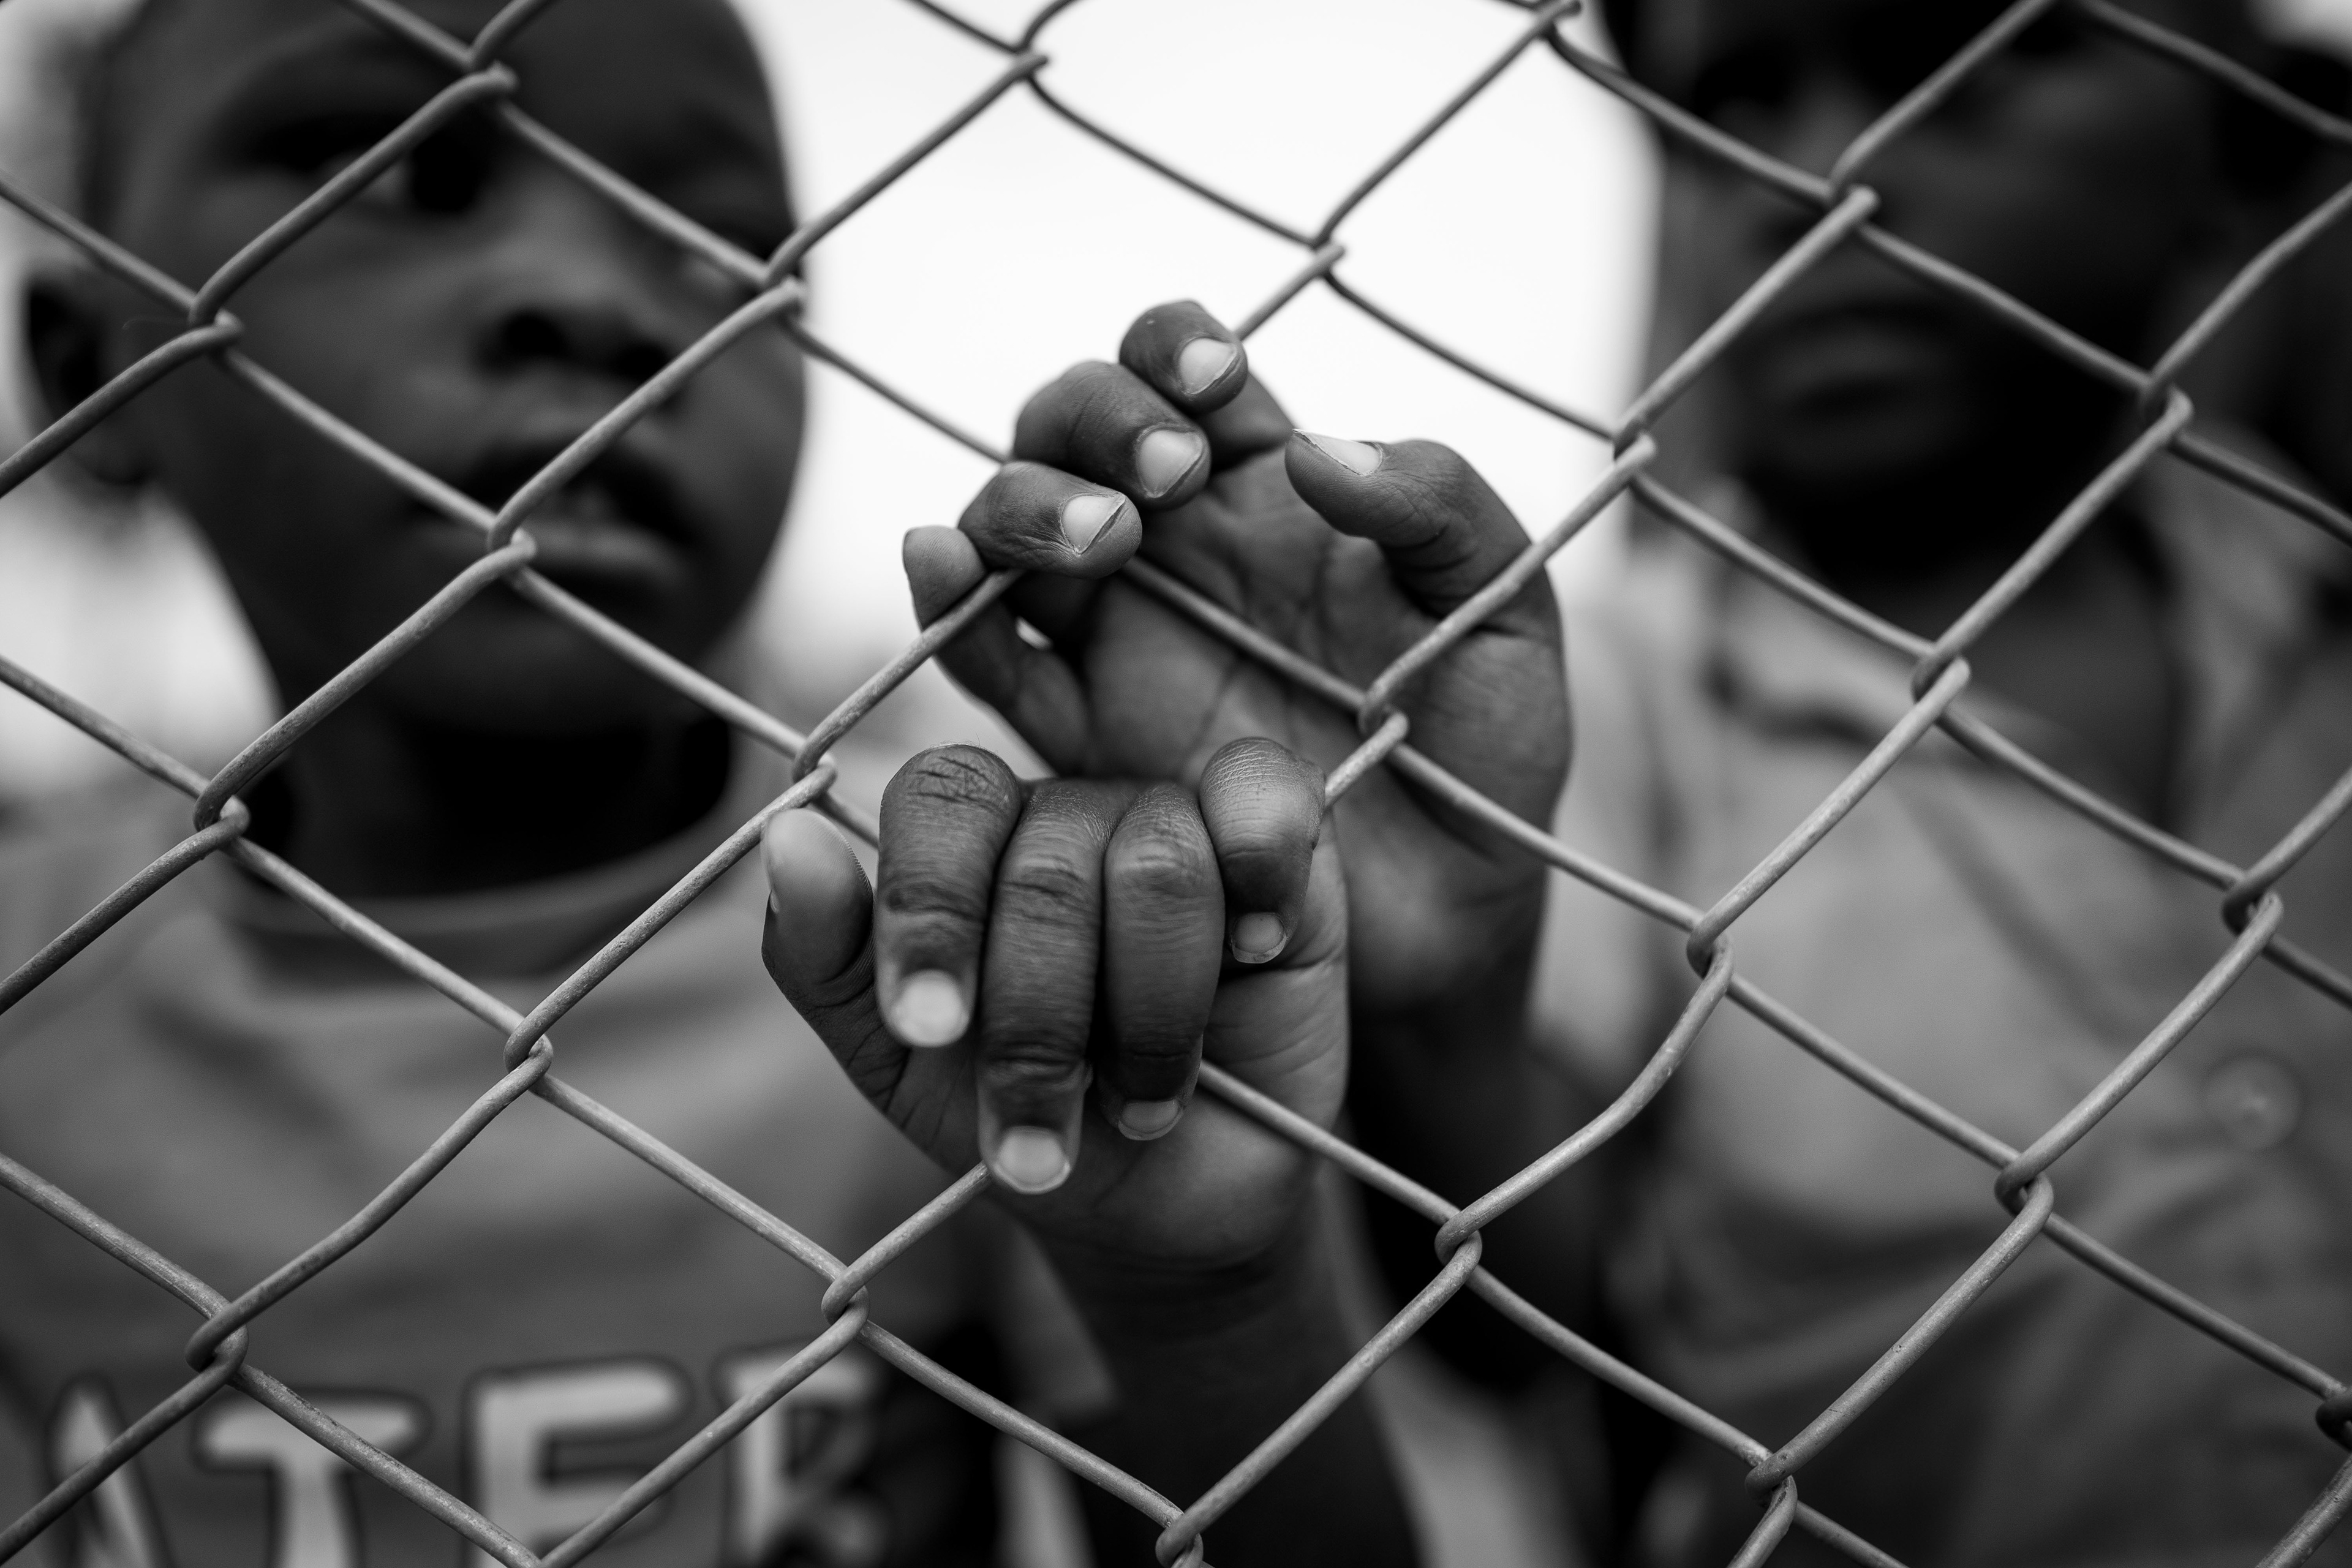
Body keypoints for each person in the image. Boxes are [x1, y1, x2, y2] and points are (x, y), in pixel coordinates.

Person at [862, 1, 2352, 1564]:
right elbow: (1536, 1315)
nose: (1804, 175)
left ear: (2241, 155)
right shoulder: (1586, 698)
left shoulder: (2321, 605)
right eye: (1732, 100)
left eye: (1950, 67)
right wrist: (1449, 993)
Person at [0, 1, 1419, 1564]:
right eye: (387, 169)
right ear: (95, 365)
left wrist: (1207, 1293)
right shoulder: (27, 1007)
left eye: (719, 238)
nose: (598, 301)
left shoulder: (954, 949)